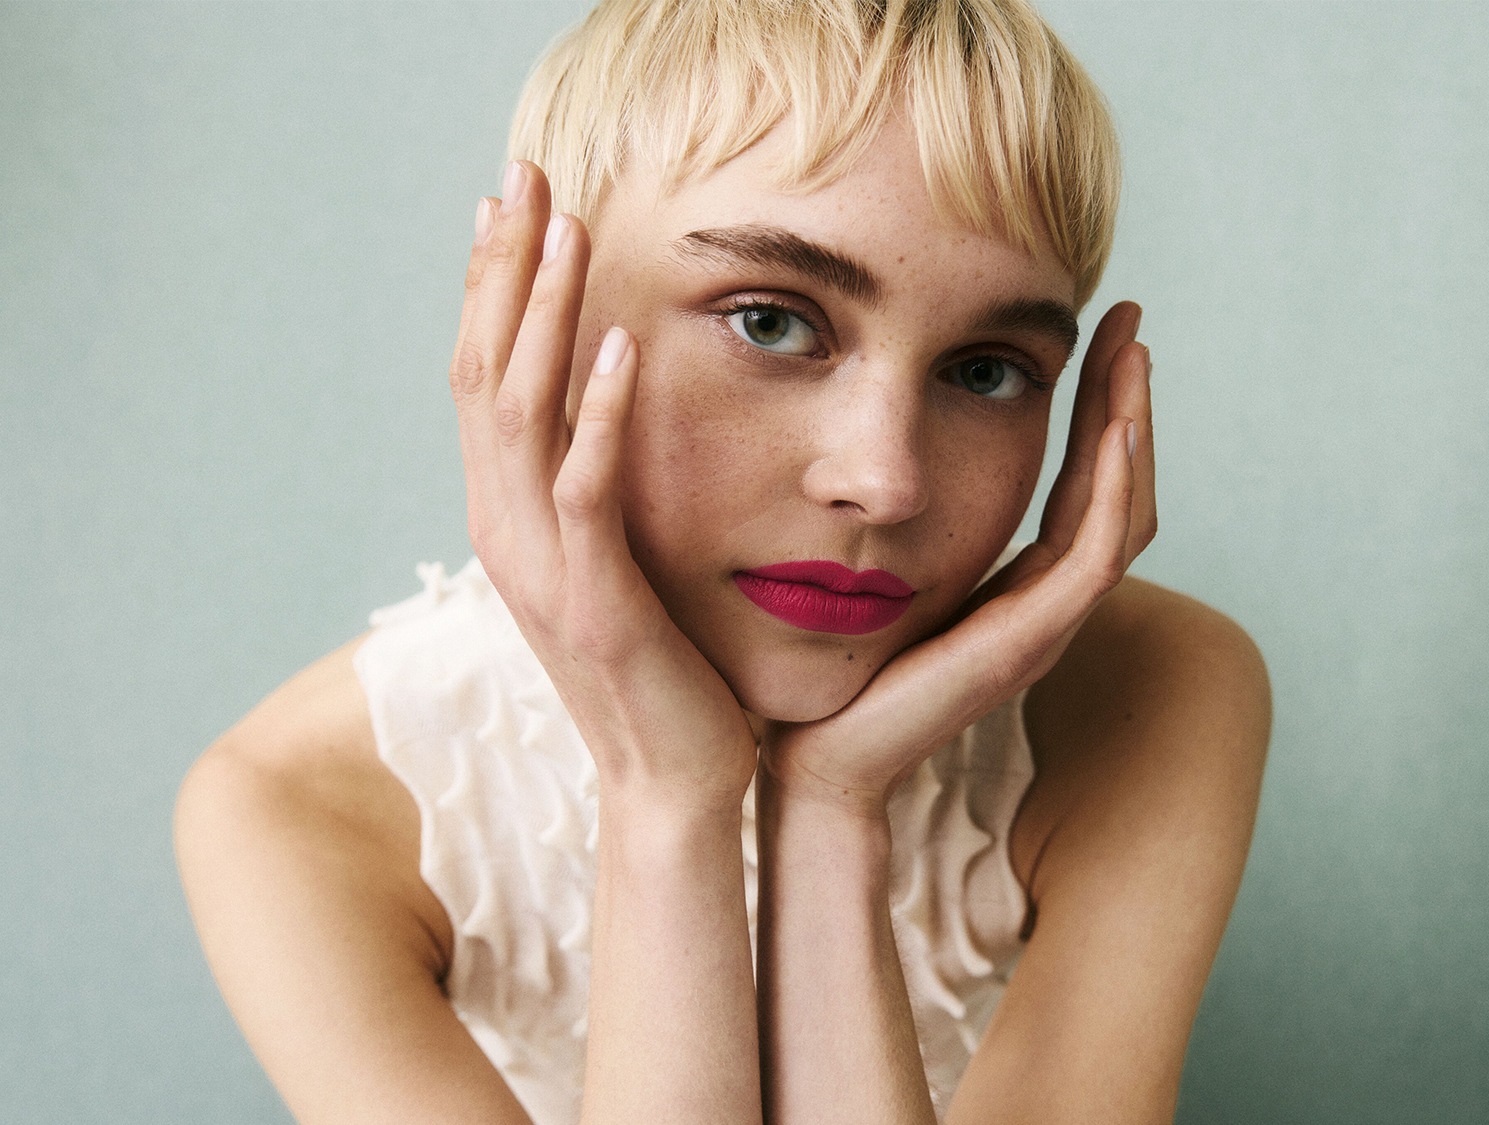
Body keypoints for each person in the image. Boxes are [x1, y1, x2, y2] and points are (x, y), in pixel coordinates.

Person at [174, 1, 1272, 1122]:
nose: (886, 481)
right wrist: (667, 800)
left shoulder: (1150, 698)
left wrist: (835, 811)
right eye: (771, 323)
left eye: (986, 371)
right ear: (532, 326)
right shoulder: (299, 812)